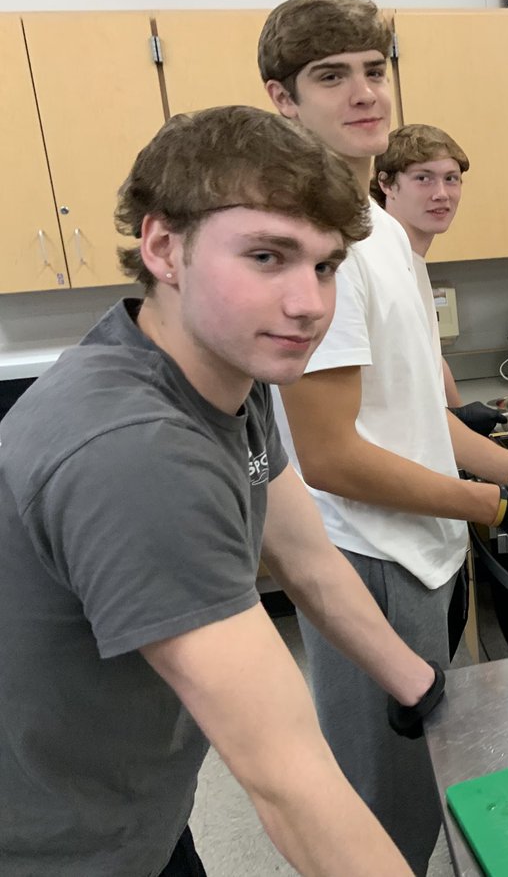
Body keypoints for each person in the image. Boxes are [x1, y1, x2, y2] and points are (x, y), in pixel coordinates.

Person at [0, 105, 437, 876]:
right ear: (164, 248)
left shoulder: (225, 372)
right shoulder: (135, 452)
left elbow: (306, 559)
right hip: (55, 849)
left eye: (325, 266)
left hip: (138, 808)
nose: (309, 304)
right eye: (267, 256)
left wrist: (418, 687)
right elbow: (285, 777)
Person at [258, 0, 508, 874]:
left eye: (375, 70)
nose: (364, 92)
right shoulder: (319, 247)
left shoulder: (383, 234)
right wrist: (499, 508)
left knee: (424, 789)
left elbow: (418, 420)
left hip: (423, 552)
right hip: (369, 561)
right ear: (283, 99)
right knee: (383, 821)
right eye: (331, 76)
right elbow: (331, 457)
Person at [371, 123, 505, 437]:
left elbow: (430, 358)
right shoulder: (380, 263)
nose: (441, 194)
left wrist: (460, 419)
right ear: (387, 184)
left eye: (451, 179)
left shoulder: (411, 260)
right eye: (423, 178)